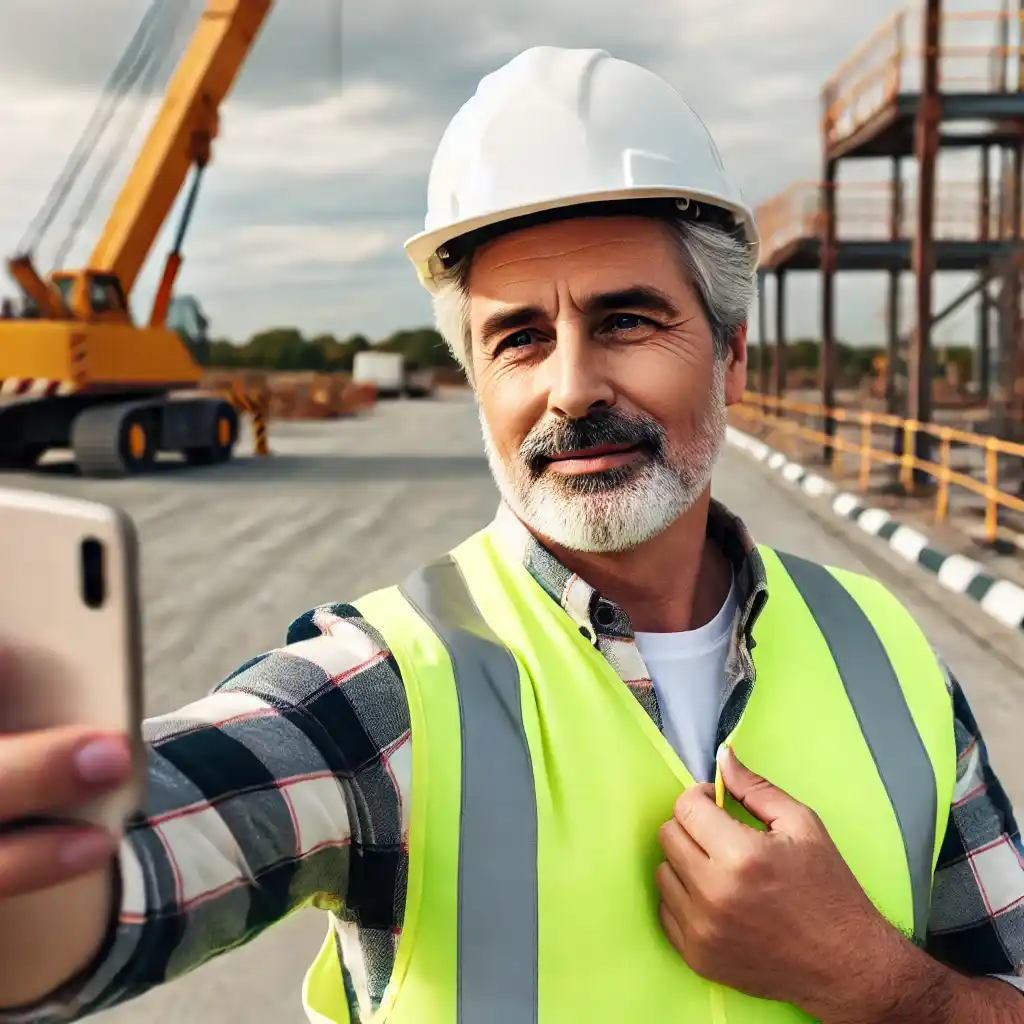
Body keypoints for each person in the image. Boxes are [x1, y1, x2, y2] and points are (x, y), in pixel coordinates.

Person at [1, 47, 1022, 1024]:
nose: (570, 387)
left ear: (731, 357)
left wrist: (874, 980)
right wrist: (41, 870)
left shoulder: (888, 654)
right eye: (519, 337)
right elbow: (143, 855)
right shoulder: (385, 687)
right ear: (477, 378)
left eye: (626, 321)